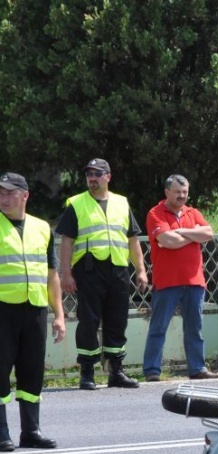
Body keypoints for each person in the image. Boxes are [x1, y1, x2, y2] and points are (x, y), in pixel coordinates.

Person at [56, 158, 148, 390]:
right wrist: (66, 274)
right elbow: (66, 242)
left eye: (97, 174)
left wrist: (141, 270)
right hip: (89, 270)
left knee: (118, 320)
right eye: (89, 174)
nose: (92, 178)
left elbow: (132, 239)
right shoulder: (76, 204)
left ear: (108, 176)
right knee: (89, 321)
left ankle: (115, 371)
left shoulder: (121, 203)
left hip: (117, 268)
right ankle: (87, 372)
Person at [0, 173, 65, 451]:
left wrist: (59, 314)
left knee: (32, 371)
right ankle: (2, 432)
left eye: (10, 193)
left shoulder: (42, 228)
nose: (4, 198)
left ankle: (31, 430)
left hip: (35, 309)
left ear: (25, 195)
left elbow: (52, 275)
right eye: (0, 193)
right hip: (3, 310)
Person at [142, 175, 218, 381]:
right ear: (167, 192)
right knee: (159, 327)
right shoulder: (155, 213)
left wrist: (180, 232)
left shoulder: (192, 212)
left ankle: (197, 368)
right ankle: (152, 371)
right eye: (178, 192)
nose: (182, 196)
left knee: (195, 327)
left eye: (185, 192)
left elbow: (209, 233)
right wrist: (193, 234)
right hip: (167, 280)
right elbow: (167, 241)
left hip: (194, 281)